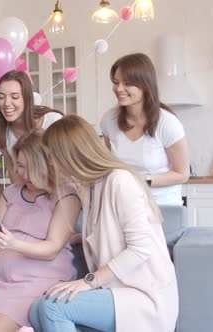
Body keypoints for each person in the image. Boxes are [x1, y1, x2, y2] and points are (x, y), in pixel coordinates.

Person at [31, 114, 179, 332]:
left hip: (144, 297)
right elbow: (109, 230)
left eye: (52, 156)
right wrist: (72, 239)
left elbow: (140, 249)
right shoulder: (89, 188)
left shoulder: (120, 181)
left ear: (70, 154)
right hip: (117, 292)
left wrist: (89, 281)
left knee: (52, 307)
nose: (51, 163)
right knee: (36, 310)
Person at [0, 130, 81, 332]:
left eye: (32, 168)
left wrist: (13, 244)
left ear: (48, 165)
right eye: (21, 166)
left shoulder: (66, 195)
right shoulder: (11, 192)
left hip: (35, 280)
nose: (25, 175)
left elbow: (52, 248)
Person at [100, 53, 189, 206]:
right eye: (116, 82)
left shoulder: (167, 123)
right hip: (124, 204)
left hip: (162, 207)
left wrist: (142, 180)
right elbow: (109, 165)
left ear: (145, 84)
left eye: (127, 83)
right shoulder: (109, 120)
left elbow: (182, 174)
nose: (119, 88)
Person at [0, 70, 63, 183]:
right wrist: (23, 199)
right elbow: (12, 169)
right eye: (1, 97)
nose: (6, 103)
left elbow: (63, 170)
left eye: (14, 97)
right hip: (27, 190)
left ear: (27, 98)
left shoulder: (53, 122)